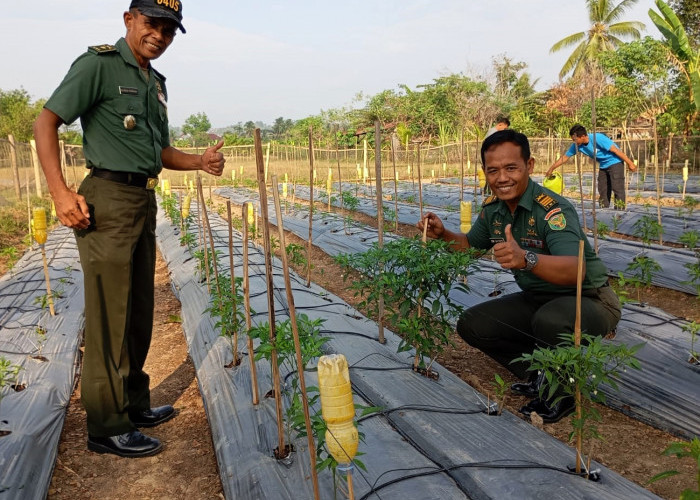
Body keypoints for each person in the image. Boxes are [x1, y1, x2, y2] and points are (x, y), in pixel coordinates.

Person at [34, 0, 225, 458]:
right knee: (109, 315)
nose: (159, 35)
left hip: (142, 198)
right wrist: (60, 193)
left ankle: (134, 403)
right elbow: (47, 121)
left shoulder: (153, 82)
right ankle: (106, 424)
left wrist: (199, 162)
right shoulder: (97, 65)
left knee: (138, 309)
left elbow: (159, 150)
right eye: (151, 24)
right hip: (106, 200)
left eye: (169, 30)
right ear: (129, 21)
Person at [418, 130, 620, 423]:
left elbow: (575, 270)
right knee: (473, 324)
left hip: (589, 300)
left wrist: (527, 258)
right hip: (539, 299)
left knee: (550, 320)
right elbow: (471, 246)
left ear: (530, 165)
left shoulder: (552, 210)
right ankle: (539, 372)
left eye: (511, 168)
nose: (502, 178)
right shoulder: (494, 211)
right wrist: (443, 234)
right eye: (493, 170)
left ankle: (561, 393)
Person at [546, 124, 636, 209]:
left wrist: (630, 163)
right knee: (602, 188)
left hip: (615, 162)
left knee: (617, 187)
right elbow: (565, 157)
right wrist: (552, 168)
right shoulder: (577, 145)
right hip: (603, 165)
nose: (574, 142)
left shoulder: (598, 138)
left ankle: (619, 211)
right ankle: (604, 211)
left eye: (575, 139)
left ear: (583, 136)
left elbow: (616, 151)